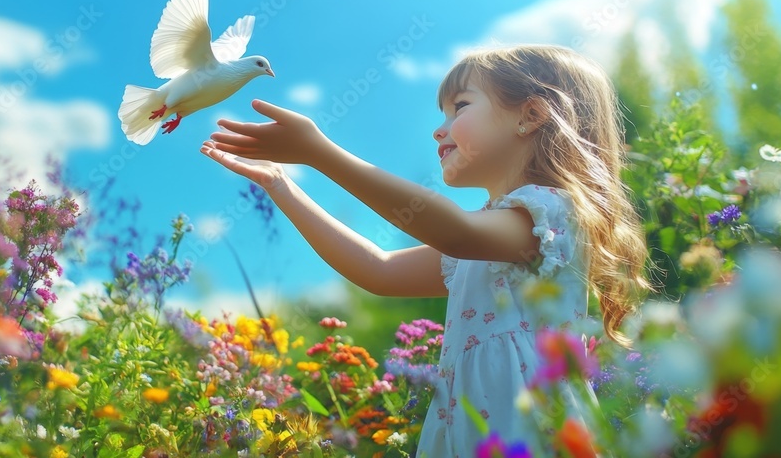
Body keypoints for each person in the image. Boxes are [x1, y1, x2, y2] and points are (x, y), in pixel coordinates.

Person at [199, 44, 651, 455]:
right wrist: (280, 184)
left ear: (530, 115)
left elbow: (450, 230)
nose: (439, 130)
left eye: (459, 107)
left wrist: (321, 152)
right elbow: (378, 270)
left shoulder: (553, 215)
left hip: (534, 428)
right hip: (470, 426)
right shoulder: (486, 237)